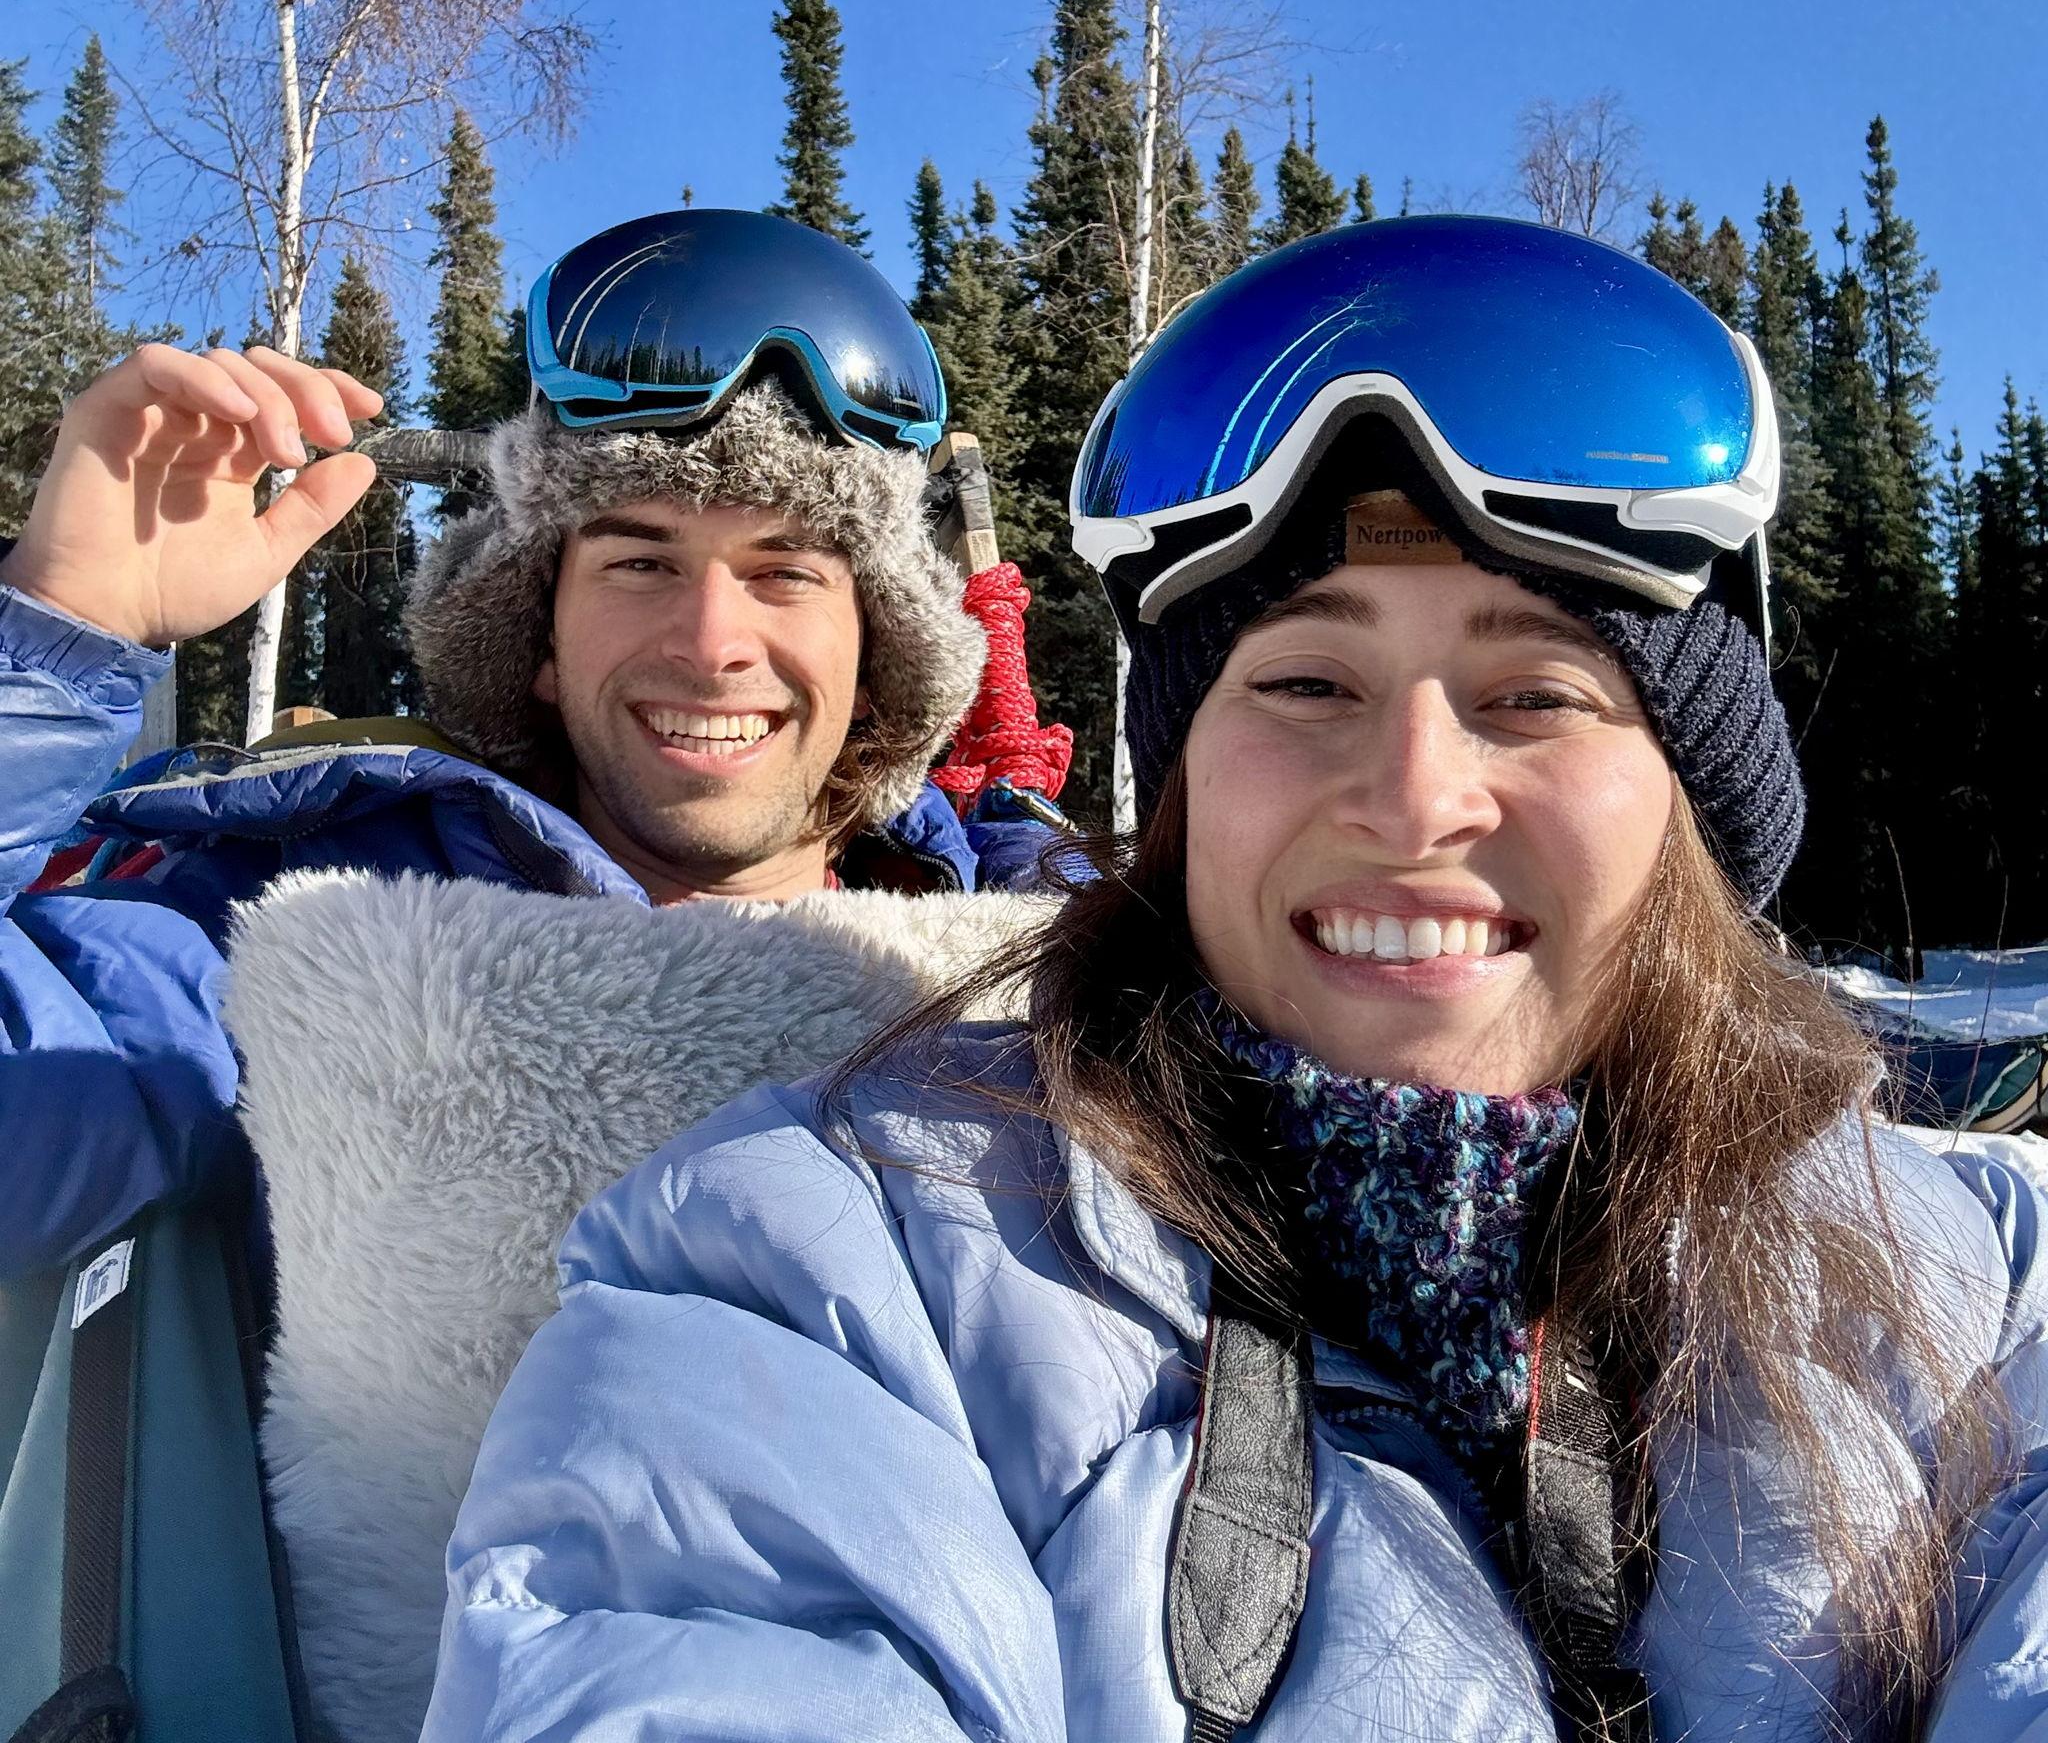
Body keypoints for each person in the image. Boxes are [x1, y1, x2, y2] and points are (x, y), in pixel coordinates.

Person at [428, 215, 2048, 1743]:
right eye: (1306, 679)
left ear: (1693, 792)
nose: (1413, 796)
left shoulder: (1975, 1286)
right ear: (1183, 796)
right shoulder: (826, 1273)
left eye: (1533, 690)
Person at [0, 207, 1062, 1282]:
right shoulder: (312, 927)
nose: (711, 644)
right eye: (639, 564)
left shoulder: (1052, 945)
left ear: (876, 653)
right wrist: (59, 638)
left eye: (784, 571)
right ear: (536, 642)